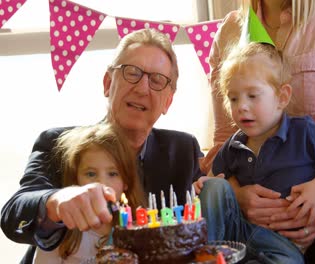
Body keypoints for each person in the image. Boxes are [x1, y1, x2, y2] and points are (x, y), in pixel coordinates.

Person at [200, 0, 315, 262]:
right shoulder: (229, 30)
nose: (243, 106)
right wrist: (236, 195)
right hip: (249, 223)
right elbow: (223, 141)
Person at [1, 28, 203, 263]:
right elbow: (13, 216)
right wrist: (55, 203)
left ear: (168, 101)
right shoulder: (57, 143)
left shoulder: (182, 150)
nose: (142, 88)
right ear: (108, 83)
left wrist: (231, 188)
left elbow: (203, 205)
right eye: (132, 73)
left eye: (157, 80)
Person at [196, 42, 315, 263]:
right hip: (235, 234)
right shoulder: (233, 145)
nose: (241, 107)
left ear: (282, 97)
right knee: (213, 185)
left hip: (282, 242)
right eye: (233, 98)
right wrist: (204, 184)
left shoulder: (303, 132)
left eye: (252, 95)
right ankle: (207, 256)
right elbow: (215, 180)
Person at [34, 123, 146, 263]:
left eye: (112, 174)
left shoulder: (139, 231)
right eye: (91, 174)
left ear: (126, 182)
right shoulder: (60, 231)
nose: (101, 183)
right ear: (76, 180)